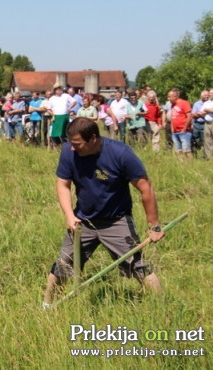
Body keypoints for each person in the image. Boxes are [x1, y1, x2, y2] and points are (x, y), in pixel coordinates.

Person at [42, 117, 164, 309]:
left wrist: (154, 225)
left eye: (77, 144)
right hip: (83, 222)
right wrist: (69, 215)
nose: (73, 148)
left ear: (93, 138)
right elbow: (63, 184)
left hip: (116, 221)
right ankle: (46, 307)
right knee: (63, 265)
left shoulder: (120, 154)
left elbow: (145, 188)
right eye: (71, 144)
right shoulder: (68, 151)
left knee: (138, 266)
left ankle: (162, 308)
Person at [168, 88, 193, 158]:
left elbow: (189, 116)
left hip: (184, 131)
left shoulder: (184, 103)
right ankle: (181, 164)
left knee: (186, 150)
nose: (168, 98)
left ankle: (190, 163)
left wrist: (184, 129)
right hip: (175, 132)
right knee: (178, 150)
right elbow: (173, 117)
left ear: (175, 97)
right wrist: (172, 129)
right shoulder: (172, 105)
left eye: (170, 97)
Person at [200, 87, 213, 159]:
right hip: (207, 122)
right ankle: (209, 157)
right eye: (209, 93)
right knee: (207, 140)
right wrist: (207, 110)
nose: (209, 95)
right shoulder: (207, 102)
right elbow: (201, 112)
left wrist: (206, 109)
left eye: (211, 93)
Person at [191, 90, 209, 156]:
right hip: (197, 123)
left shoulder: (210, 103)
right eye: (205, 95)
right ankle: (195, 154)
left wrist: (203, 113)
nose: (206, 96)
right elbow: (193, 115)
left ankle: (205, 155)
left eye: (207, 95)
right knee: (195, 139)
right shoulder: (196, 104)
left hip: (205, 124)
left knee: (205, 140)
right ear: (201, 96)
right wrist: (200, 114)